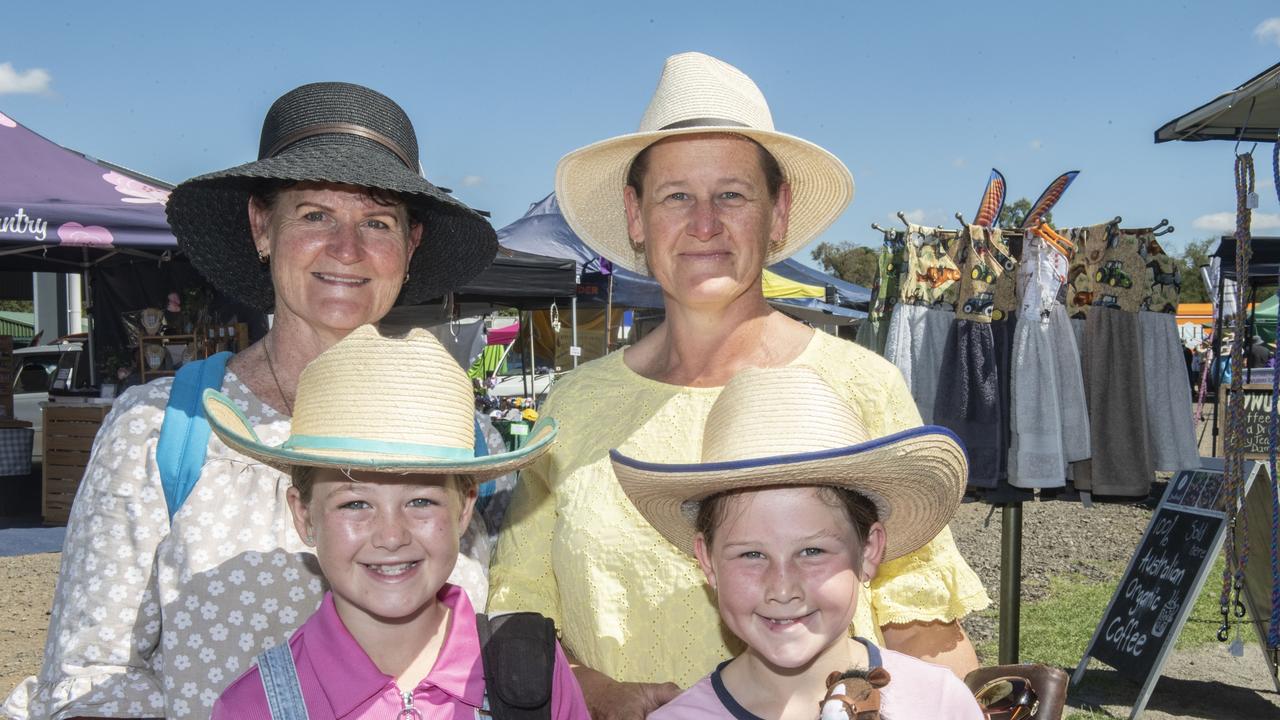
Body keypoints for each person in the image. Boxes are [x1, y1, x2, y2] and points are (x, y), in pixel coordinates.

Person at [487, 52, 989, 720]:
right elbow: (521, 594)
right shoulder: (575, 405)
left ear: (776, 214)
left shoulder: (859, 385)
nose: (704, 224)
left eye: (732, 194)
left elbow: (922, 617)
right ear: (635, 217)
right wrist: (591, 692)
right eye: (676, 196)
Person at [3, 82, 498, 720]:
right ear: (262, 227)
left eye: (376, 222)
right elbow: (87, 681)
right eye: (315, 215)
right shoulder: (162, 429)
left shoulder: (464, 435)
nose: (346, 249)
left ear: (411, 245)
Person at [206, 325, 587, 719]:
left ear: (464, 507)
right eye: (355, 504)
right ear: (304, 515)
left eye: (421, 501)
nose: (391, 536)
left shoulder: (535, 671)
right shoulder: (252, 708)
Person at [614, 366, 982, 720]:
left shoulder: (938, 703)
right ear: (707, 561)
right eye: (752, 554)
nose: (783, 588)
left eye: (812, 551)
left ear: (869, 551)